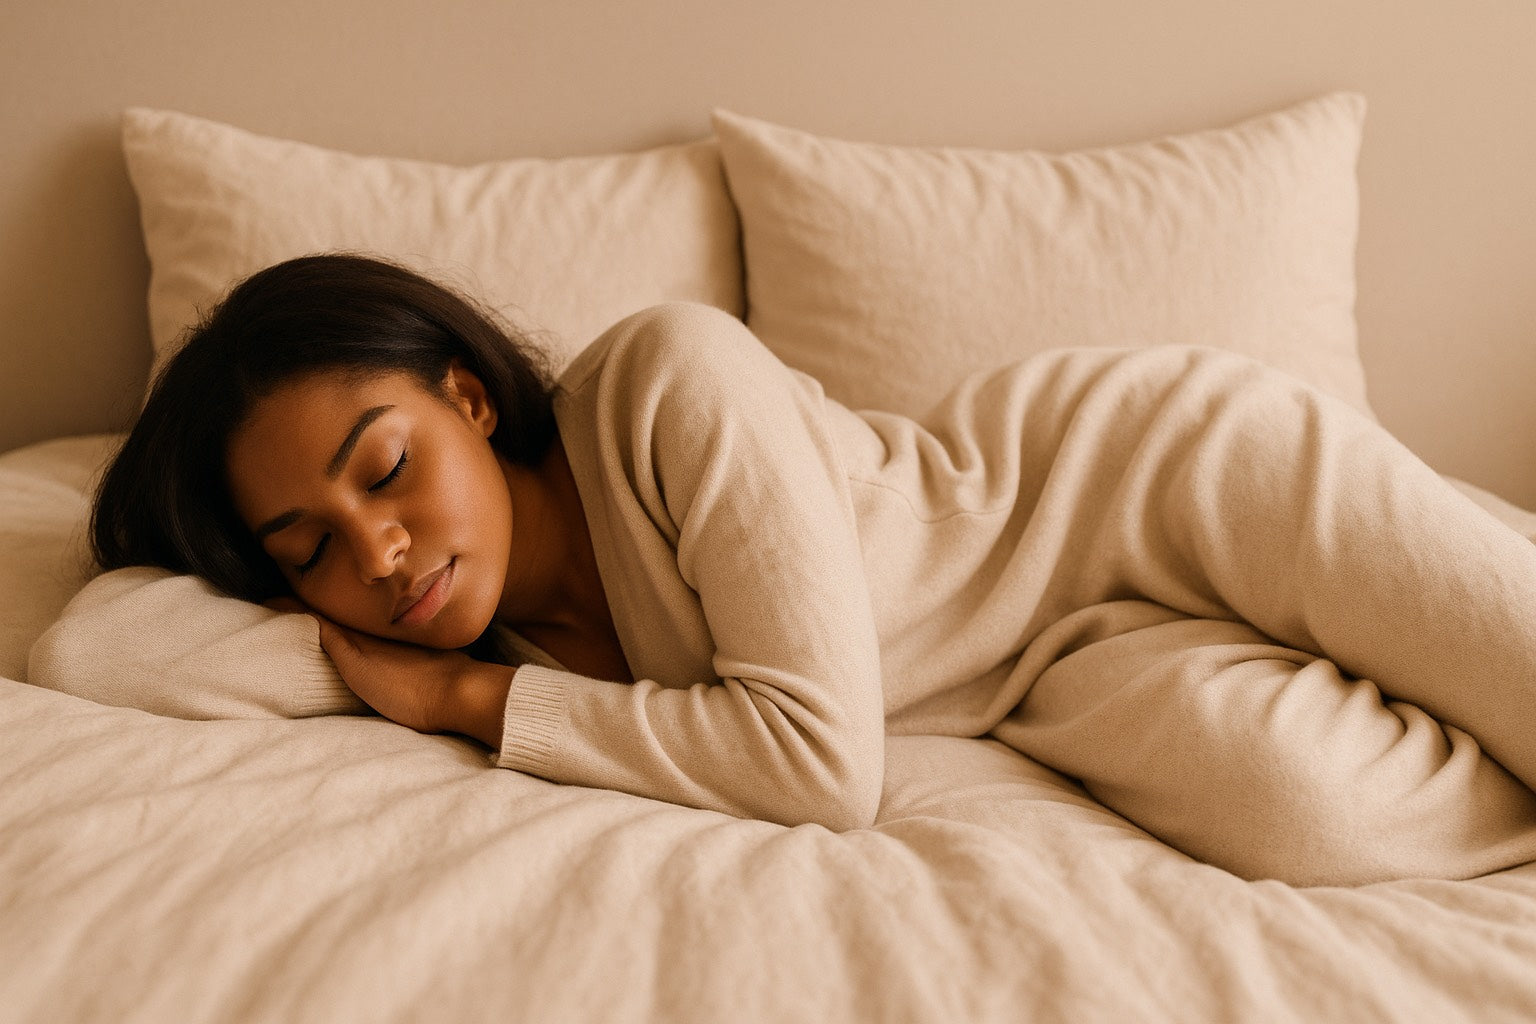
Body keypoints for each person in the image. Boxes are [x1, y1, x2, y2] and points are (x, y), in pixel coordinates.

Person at [44, 253, 1536, 886]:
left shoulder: (664, 381)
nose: (375, 552)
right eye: (306, 547)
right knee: (1320, 815)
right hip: (1050, 680)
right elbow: (92, 652)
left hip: (1136, 478)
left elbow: (818, 770)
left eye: (385, 470)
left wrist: (462, 703)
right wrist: (311, 604)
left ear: (470, 400)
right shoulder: (463, 628)